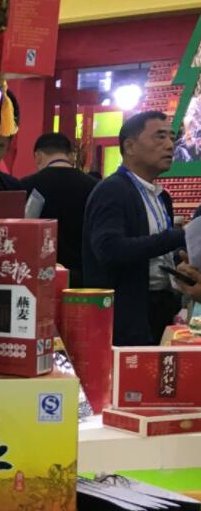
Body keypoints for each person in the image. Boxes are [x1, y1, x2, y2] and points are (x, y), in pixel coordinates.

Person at [83, 111, 201, 346]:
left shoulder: (162, 197)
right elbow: (109, 249)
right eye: (160, 137)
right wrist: (177, 236)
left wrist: (180, 265)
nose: (170, 145)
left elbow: (159, 253)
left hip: (160, 309)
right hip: (125, 317)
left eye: (171, 137)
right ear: (130, 146)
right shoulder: (112, 190)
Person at [20, 132, 99, 288]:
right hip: (85, 276)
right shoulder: (95, 186)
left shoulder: (26, 186)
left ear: (38, 156)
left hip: (41, 276)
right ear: (70, 155)